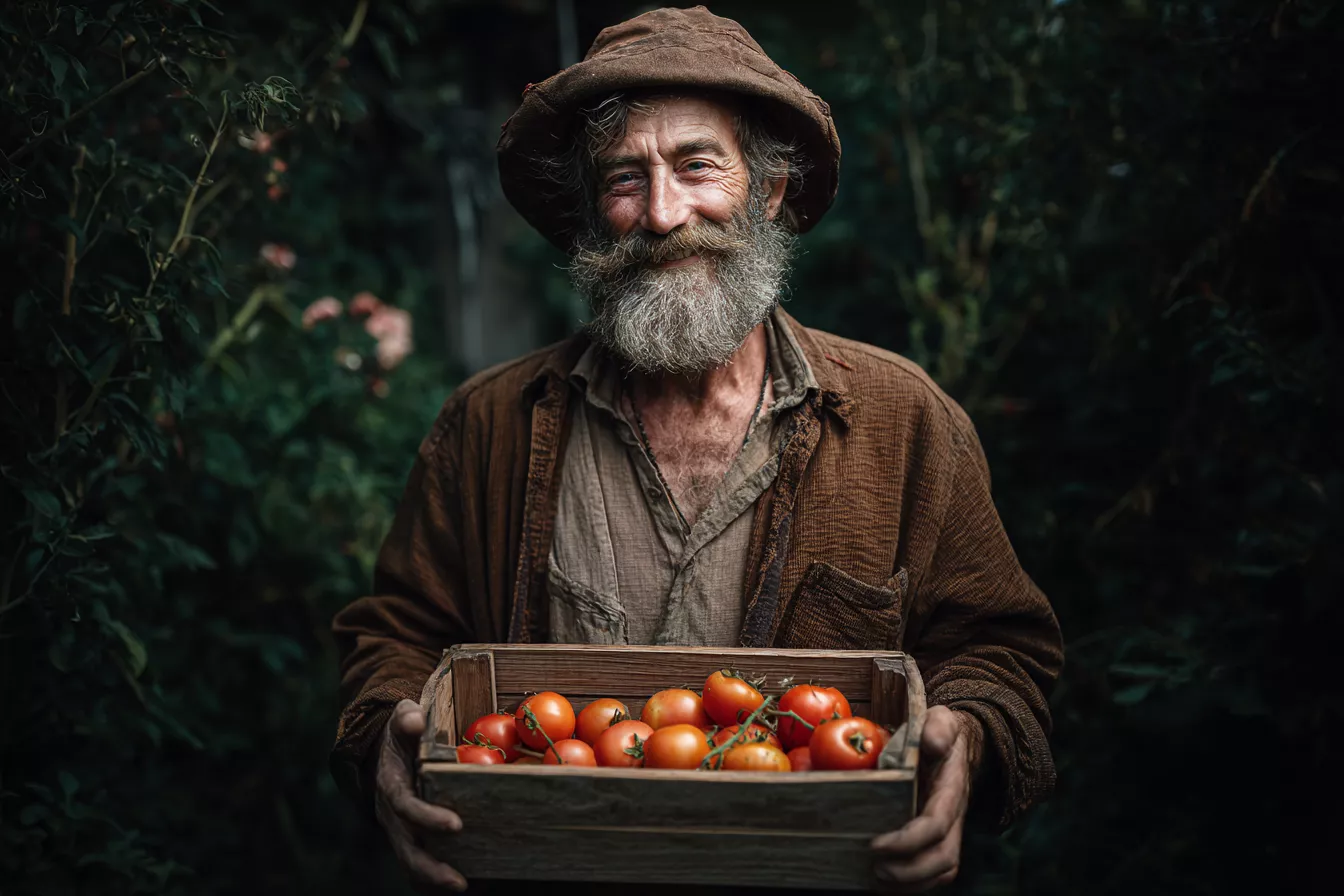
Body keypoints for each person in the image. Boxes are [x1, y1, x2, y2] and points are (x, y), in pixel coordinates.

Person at [330, 7, 1063, 893]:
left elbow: (1001, 650)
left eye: (697, 166)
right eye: (624, 179)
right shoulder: (489, 426)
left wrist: (970, 739)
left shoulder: (902, 421)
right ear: (593, 213)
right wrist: (387, 741)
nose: (663, 215)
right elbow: (398, 633)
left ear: (770, 190)